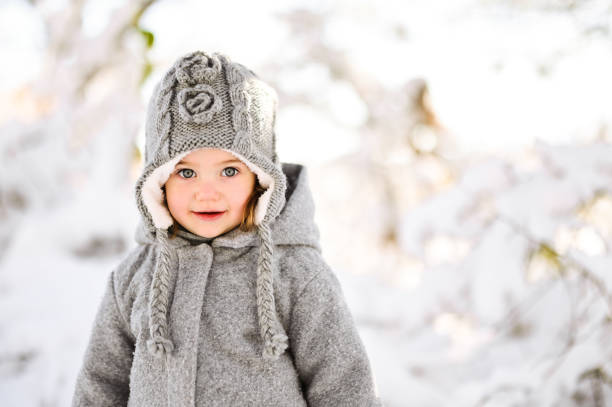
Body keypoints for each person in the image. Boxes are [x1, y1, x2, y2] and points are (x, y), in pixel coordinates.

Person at [72, 51, 382, 406]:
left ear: (261, 180)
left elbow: (343, 386)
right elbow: (100, 385)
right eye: (186, 172)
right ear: (157, 182)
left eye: (230, 171)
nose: (207, 191)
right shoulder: (135, 276)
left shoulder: (297, 275)